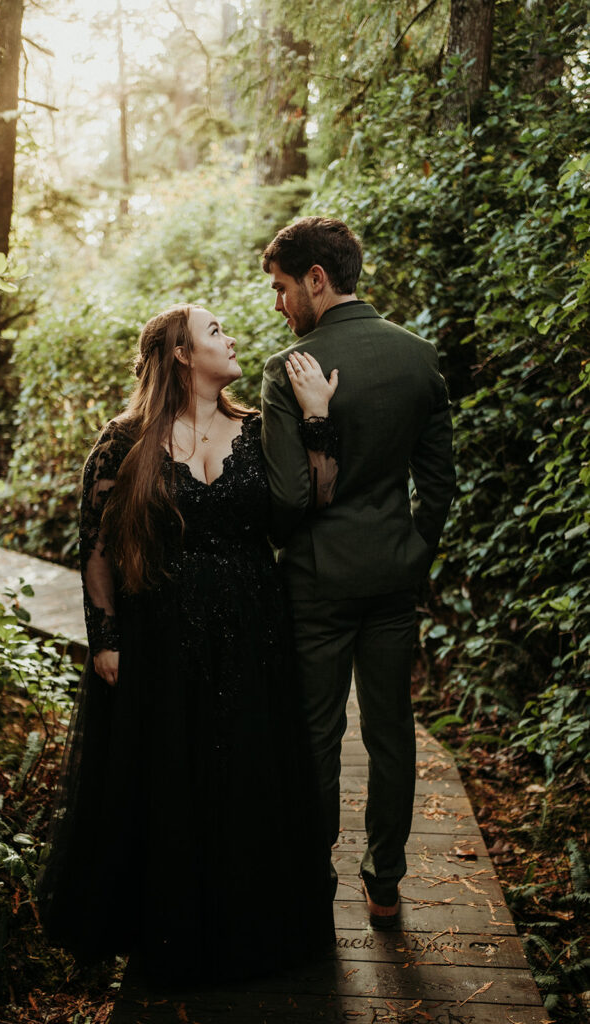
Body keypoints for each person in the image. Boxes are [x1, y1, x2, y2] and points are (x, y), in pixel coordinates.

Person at [35, 303, 339, 982]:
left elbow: (316, 498)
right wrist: (104, 638)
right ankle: (165, 932)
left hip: (253, 628)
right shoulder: (124, 438)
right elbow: (96, 547)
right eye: (215, 332)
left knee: (246, 772)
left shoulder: (260, 429)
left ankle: (248, 930)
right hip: (159, 630)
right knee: (166, 773)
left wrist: (317, 416)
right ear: (179, 353)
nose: (229, 340)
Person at [260, 216, 456, 929]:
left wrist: (280, 544)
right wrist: (413, 551)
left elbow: (285, 497)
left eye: (282, 289)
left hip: (314, 581)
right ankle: (384, 881)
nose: (278, 305)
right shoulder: (416, 356)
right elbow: (437, 482)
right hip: (392, 579)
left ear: (316, 278)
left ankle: (313, 880)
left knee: (312, 734)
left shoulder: (289, 370)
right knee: (389, 729)